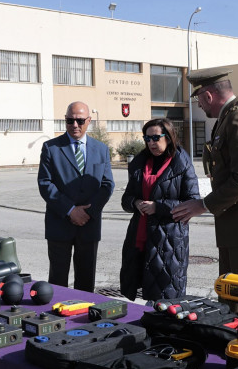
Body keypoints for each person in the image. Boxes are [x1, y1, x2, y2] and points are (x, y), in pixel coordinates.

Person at [171, 68, 238, 287]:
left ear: (208, 96)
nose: (200, 106)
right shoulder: (231, 116)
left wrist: (203, 204)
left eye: (199, 100)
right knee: (234, 296)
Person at [119, 118, 200, 303]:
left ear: (169, 137)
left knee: (165, 296)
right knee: (140, 289)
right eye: (147, 139)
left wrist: (158, 207)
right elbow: (126, 199)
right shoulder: (139, 162)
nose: (151, 143)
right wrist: (136, 202)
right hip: (140, 237)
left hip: (169, 240)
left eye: (156, 138)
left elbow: (192, 201)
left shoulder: (182, 163)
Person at [37, 101, 114, 292]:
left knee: (86, 279)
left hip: (89, 223)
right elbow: (45, 183)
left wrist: (89, 211)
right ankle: (55, 317)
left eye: (80, 120)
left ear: (89, 121)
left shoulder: (101, 149)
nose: (75, 125)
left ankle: (85, 318)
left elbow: (107, 184)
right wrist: (70, 210)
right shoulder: (51, 148)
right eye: (70, 120)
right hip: (59, 224)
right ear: (65, 120)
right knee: (57, 279)